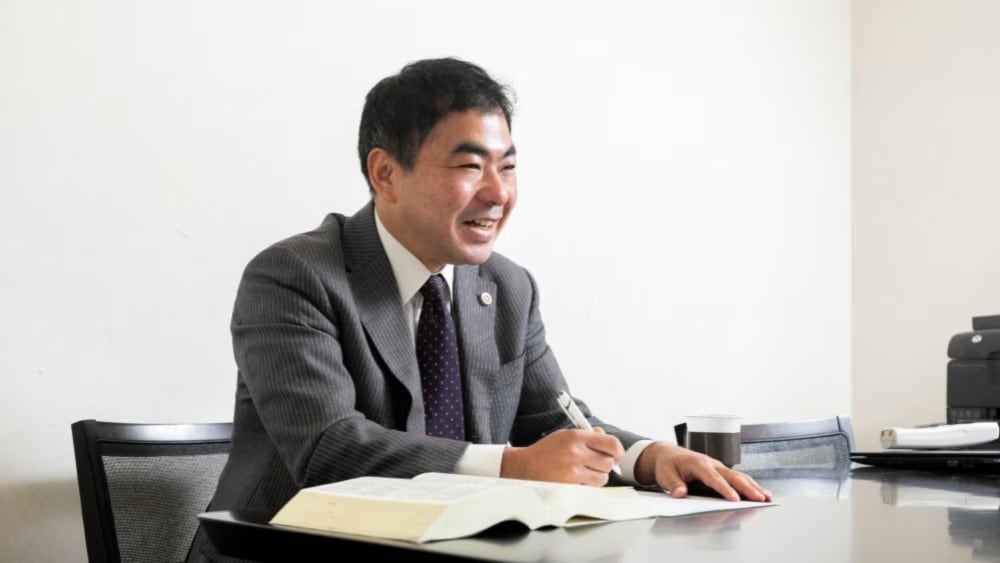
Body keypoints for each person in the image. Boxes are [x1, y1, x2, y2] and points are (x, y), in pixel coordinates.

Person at [186, 57, 771, 563]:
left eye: (507, 166)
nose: (498, 193)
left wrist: (648, 457)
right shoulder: (293, 275)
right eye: (470, 167)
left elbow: (555, 424)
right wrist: (516, 466)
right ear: (385, 174)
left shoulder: (507, 287)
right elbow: (328, 450)